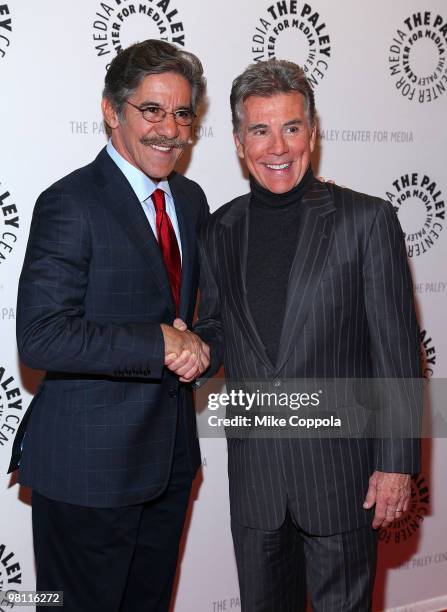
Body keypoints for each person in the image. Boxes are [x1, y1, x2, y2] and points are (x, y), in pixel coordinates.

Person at [190, 60, 422, 611]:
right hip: (257, 483)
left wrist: (397, 464)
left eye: (291, 128)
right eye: (260, 129)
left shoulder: (366, 221)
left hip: (340, 477)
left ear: (312, 134)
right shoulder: (219, 229)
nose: (277, 146)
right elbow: (218, 327)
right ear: (240, 141)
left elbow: (396, 352)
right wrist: (195, 346)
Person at [8, 39, 210, 612]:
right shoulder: (70, 202)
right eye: (152, 110)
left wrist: (204, 346)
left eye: (181, 113)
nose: (169, 129)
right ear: (111, 111)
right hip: (86, 473)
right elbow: (41, 335)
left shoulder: (190, 200)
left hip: (168, 463)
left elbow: (205, 315)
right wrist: (158, 342)